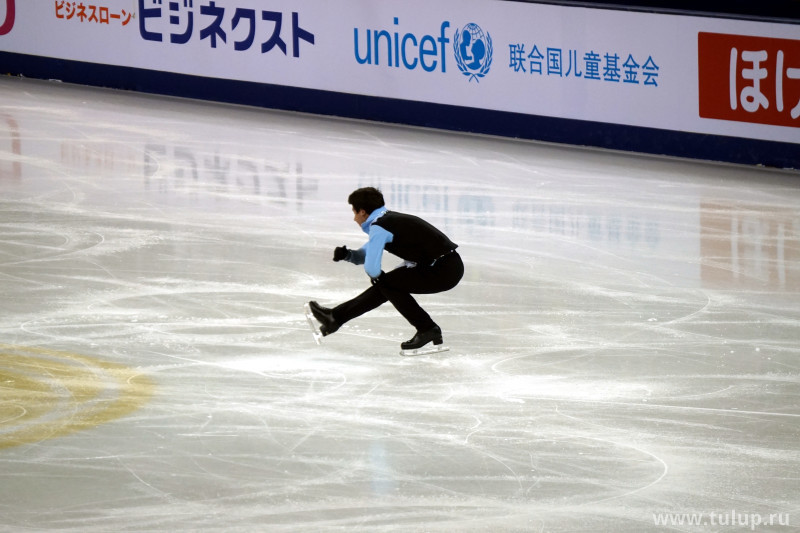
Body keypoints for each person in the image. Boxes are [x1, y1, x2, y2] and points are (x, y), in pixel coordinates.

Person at [308, 187, 464, 351]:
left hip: (442, 270)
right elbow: (365, 254)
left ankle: (427, 328)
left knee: (387, 284)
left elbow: (372, 267)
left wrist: (378, 278)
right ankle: (334, 318)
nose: (354, 218)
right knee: (387, 284)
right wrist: (348, 255)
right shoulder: (387, 220)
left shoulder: (380, 227)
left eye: (354, 213)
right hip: (445, 265)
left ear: (362, 212)